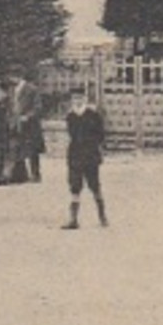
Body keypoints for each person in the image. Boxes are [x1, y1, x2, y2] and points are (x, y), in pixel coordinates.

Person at [62, 87, 107, 229]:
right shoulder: (70, 117)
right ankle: (73, 220)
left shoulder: (93, 115)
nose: (77, 101)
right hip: (75, 155)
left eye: (80, 98)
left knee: (95, 186)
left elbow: (101, 135)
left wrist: (94, 147)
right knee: (75, 186)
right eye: (75, 99)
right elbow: (70, 135)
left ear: (85, 99)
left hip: (90, 155)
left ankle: (102, 216)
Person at [6, 71, 44, 184]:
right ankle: (19, 175)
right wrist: (10, 118)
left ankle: (36, 174)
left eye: (12, 77)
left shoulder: (32, 89)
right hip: (15, 123)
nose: (11, 80)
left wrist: (27, 116)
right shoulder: (12, 89)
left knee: (32, 150)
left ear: (18, 76)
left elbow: (38, 107)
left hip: (30, 125)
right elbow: (11, 106)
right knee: (16, 147)